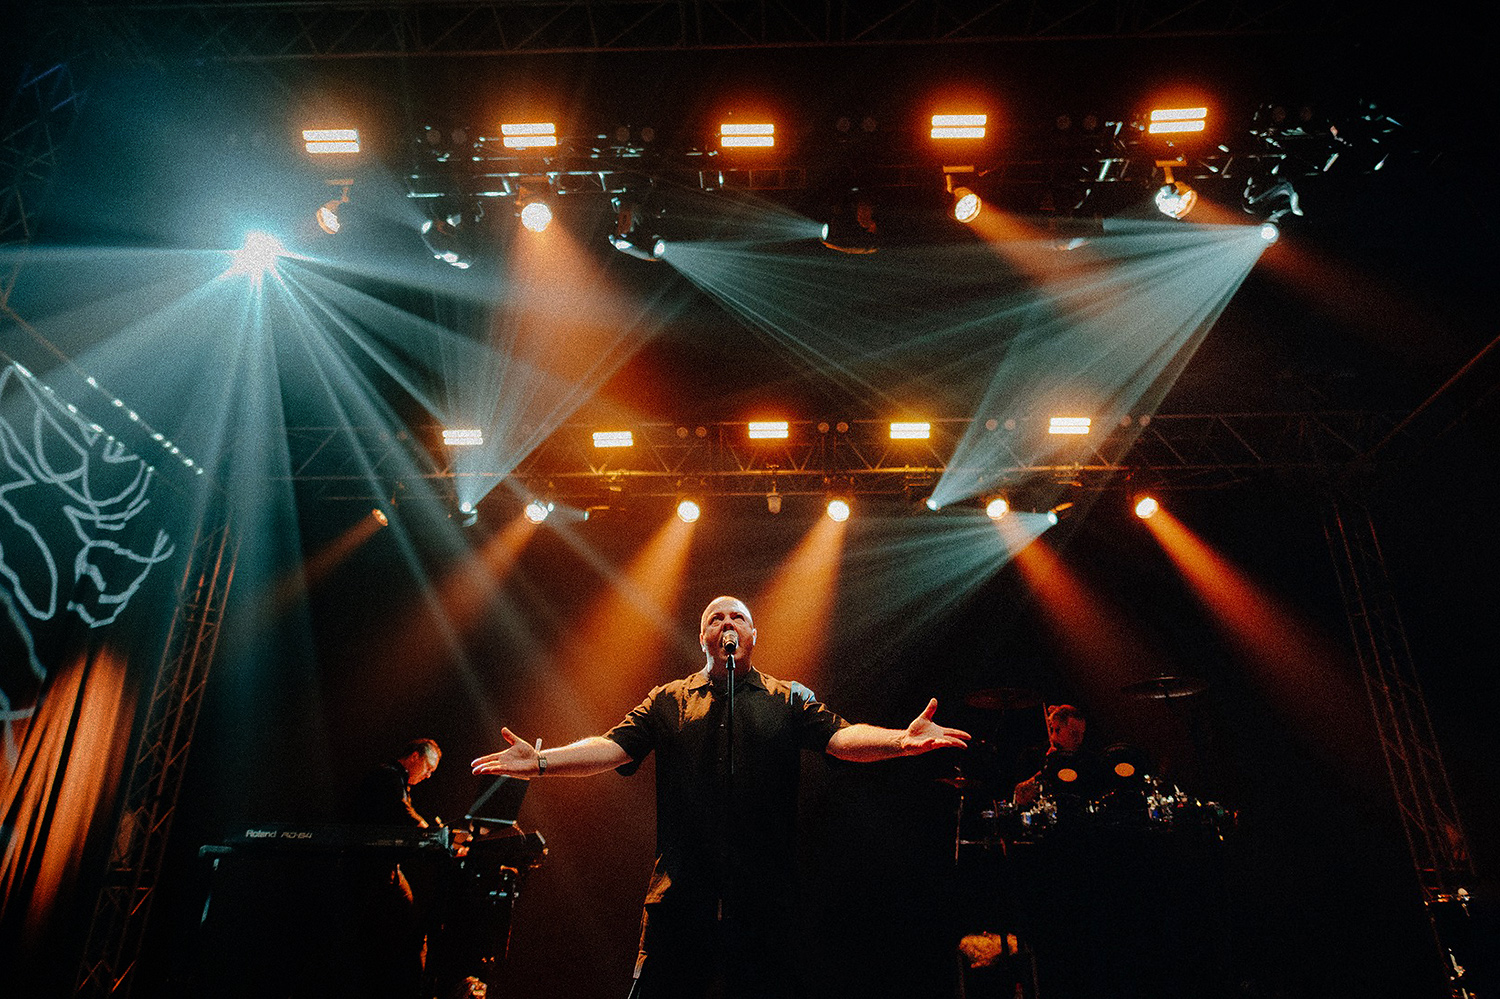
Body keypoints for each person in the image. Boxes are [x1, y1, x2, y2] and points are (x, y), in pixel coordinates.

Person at [471, 595, 971, 999]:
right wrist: (540, 761)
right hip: (679, 894)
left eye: (738, 617)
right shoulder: (667, 699)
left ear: (753, 635)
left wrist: (901, 742)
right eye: (716, 617)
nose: (727, 623)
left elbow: (840, 739)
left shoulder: (788, 696)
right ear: (704, 637)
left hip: (765, 896)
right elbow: (612, 746)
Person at [350, 738, 444, 999]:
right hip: (368, 868)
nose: (428, 776)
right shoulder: (387, 776)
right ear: (415, 756)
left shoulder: (396, 780)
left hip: (381, 867)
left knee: (401, 925)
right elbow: (402, 814)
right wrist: (434, 836)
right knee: (402, 927)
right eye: (428, 768)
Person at [1011, 704, 1090, 809]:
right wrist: (1047, 768)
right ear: (1056, 729)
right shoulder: (1032, 755)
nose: (1079, 739)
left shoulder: (1085, 759)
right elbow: (1020, 797)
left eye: (1082, 734)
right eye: (1074, 733)